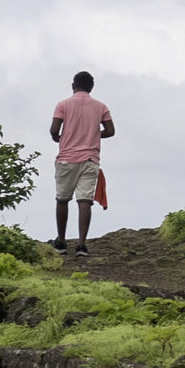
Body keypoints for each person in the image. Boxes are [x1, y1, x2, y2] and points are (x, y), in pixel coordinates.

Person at [49, 71, 116, 256]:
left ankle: (61, 242)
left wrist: (59, 138)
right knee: (84, 201)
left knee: (62, 199)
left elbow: (54, 129)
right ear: (91, 87)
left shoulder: (63, 105)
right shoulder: (101, 106)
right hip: (90, 159)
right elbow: (110, 131)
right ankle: (81, 245)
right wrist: (95, 134)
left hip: (67, 158)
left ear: (73, 86)